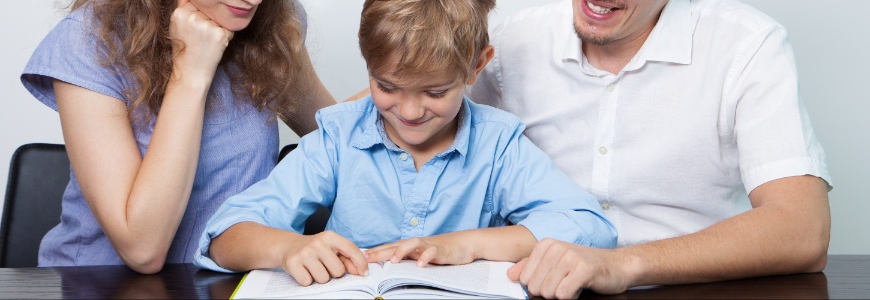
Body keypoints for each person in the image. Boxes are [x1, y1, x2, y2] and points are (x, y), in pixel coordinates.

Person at [194, 0, 617, 286]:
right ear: (369, 65)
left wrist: (465, 244)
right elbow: (224, 235)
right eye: (387, 87)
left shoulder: (498, 145)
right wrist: (289, 248)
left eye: (435, 93)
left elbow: (591, 228)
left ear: (477, 66)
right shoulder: (339, 137)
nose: (410, 112)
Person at [466, 0, 833, 298]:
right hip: (534, 286)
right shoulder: (510, 42)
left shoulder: (745, 44)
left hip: (692, 290)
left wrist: (619, 264)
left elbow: (803, 230)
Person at [20, 0, 335, 274]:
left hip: (226, 281)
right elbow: (141, 251)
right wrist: (192, 73)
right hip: (100, 284)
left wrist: (385, 74)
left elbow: (336, 132)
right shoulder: (88, 39)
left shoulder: (271, 19)